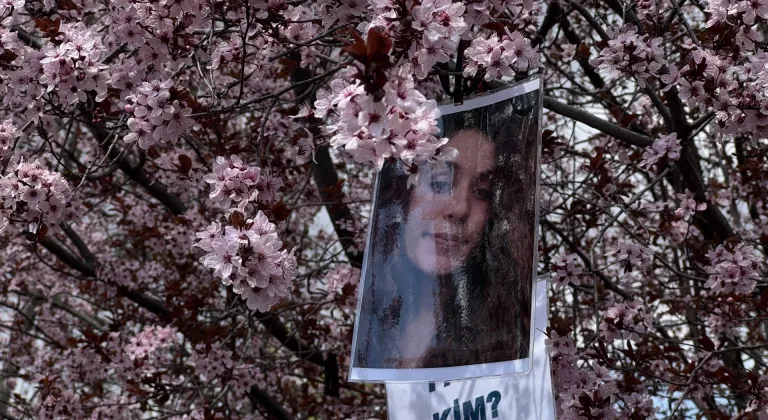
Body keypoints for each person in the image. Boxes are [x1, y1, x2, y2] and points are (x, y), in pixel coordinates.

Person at [353, 99, 536, 371]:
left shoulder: (512, 344)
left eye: (483, 193)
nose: (460, 208)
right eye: (440, 182)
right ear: (403, 194)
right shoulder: (364, 334)